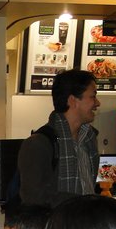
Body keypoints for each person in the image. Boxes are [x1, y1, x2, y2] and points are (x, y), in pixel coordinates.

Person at [17, 69, 101, 207]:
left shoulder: (89, 140)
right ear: (73, 100)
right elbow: (33, 198)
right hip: (56, 221)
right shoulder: (39, 143)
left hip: (85, 220)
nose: (97, 103)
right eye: (93, 96)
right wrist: (80, 204)